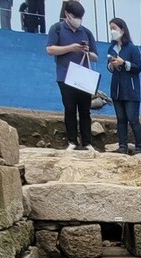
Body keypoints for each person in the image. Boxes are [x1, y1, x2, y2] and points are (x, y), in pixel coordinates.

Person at [46, 0, 98, 151]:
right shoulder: (57, 29)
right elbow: (50, 49)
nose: (78, 20)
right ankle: (72, 141)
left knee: (85, 110)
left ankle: (87, 142)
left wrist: (86, 50)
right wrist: (71, 48)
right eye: (75, 16)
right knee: (69, 108)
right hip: (65, 75)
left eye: (80, 17)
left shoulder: (87, 32)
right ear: (67, 15)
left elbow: (95, 56)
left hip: (83, 77)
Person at [107, 17, 141, 154]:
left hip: (130, 89)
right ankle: (122, 146)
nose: (112, 31)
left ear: (122, 30)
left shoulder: (132, 48)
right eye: (110, 28)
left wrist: (123, 63)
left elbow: (138, 67)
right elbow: (109, 68)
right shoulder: (111, 48)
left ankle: (140, 147)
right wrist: (112, 64)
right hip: (117, 89)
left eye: (114, 28)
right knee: (121, 119)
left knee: (132, 118)